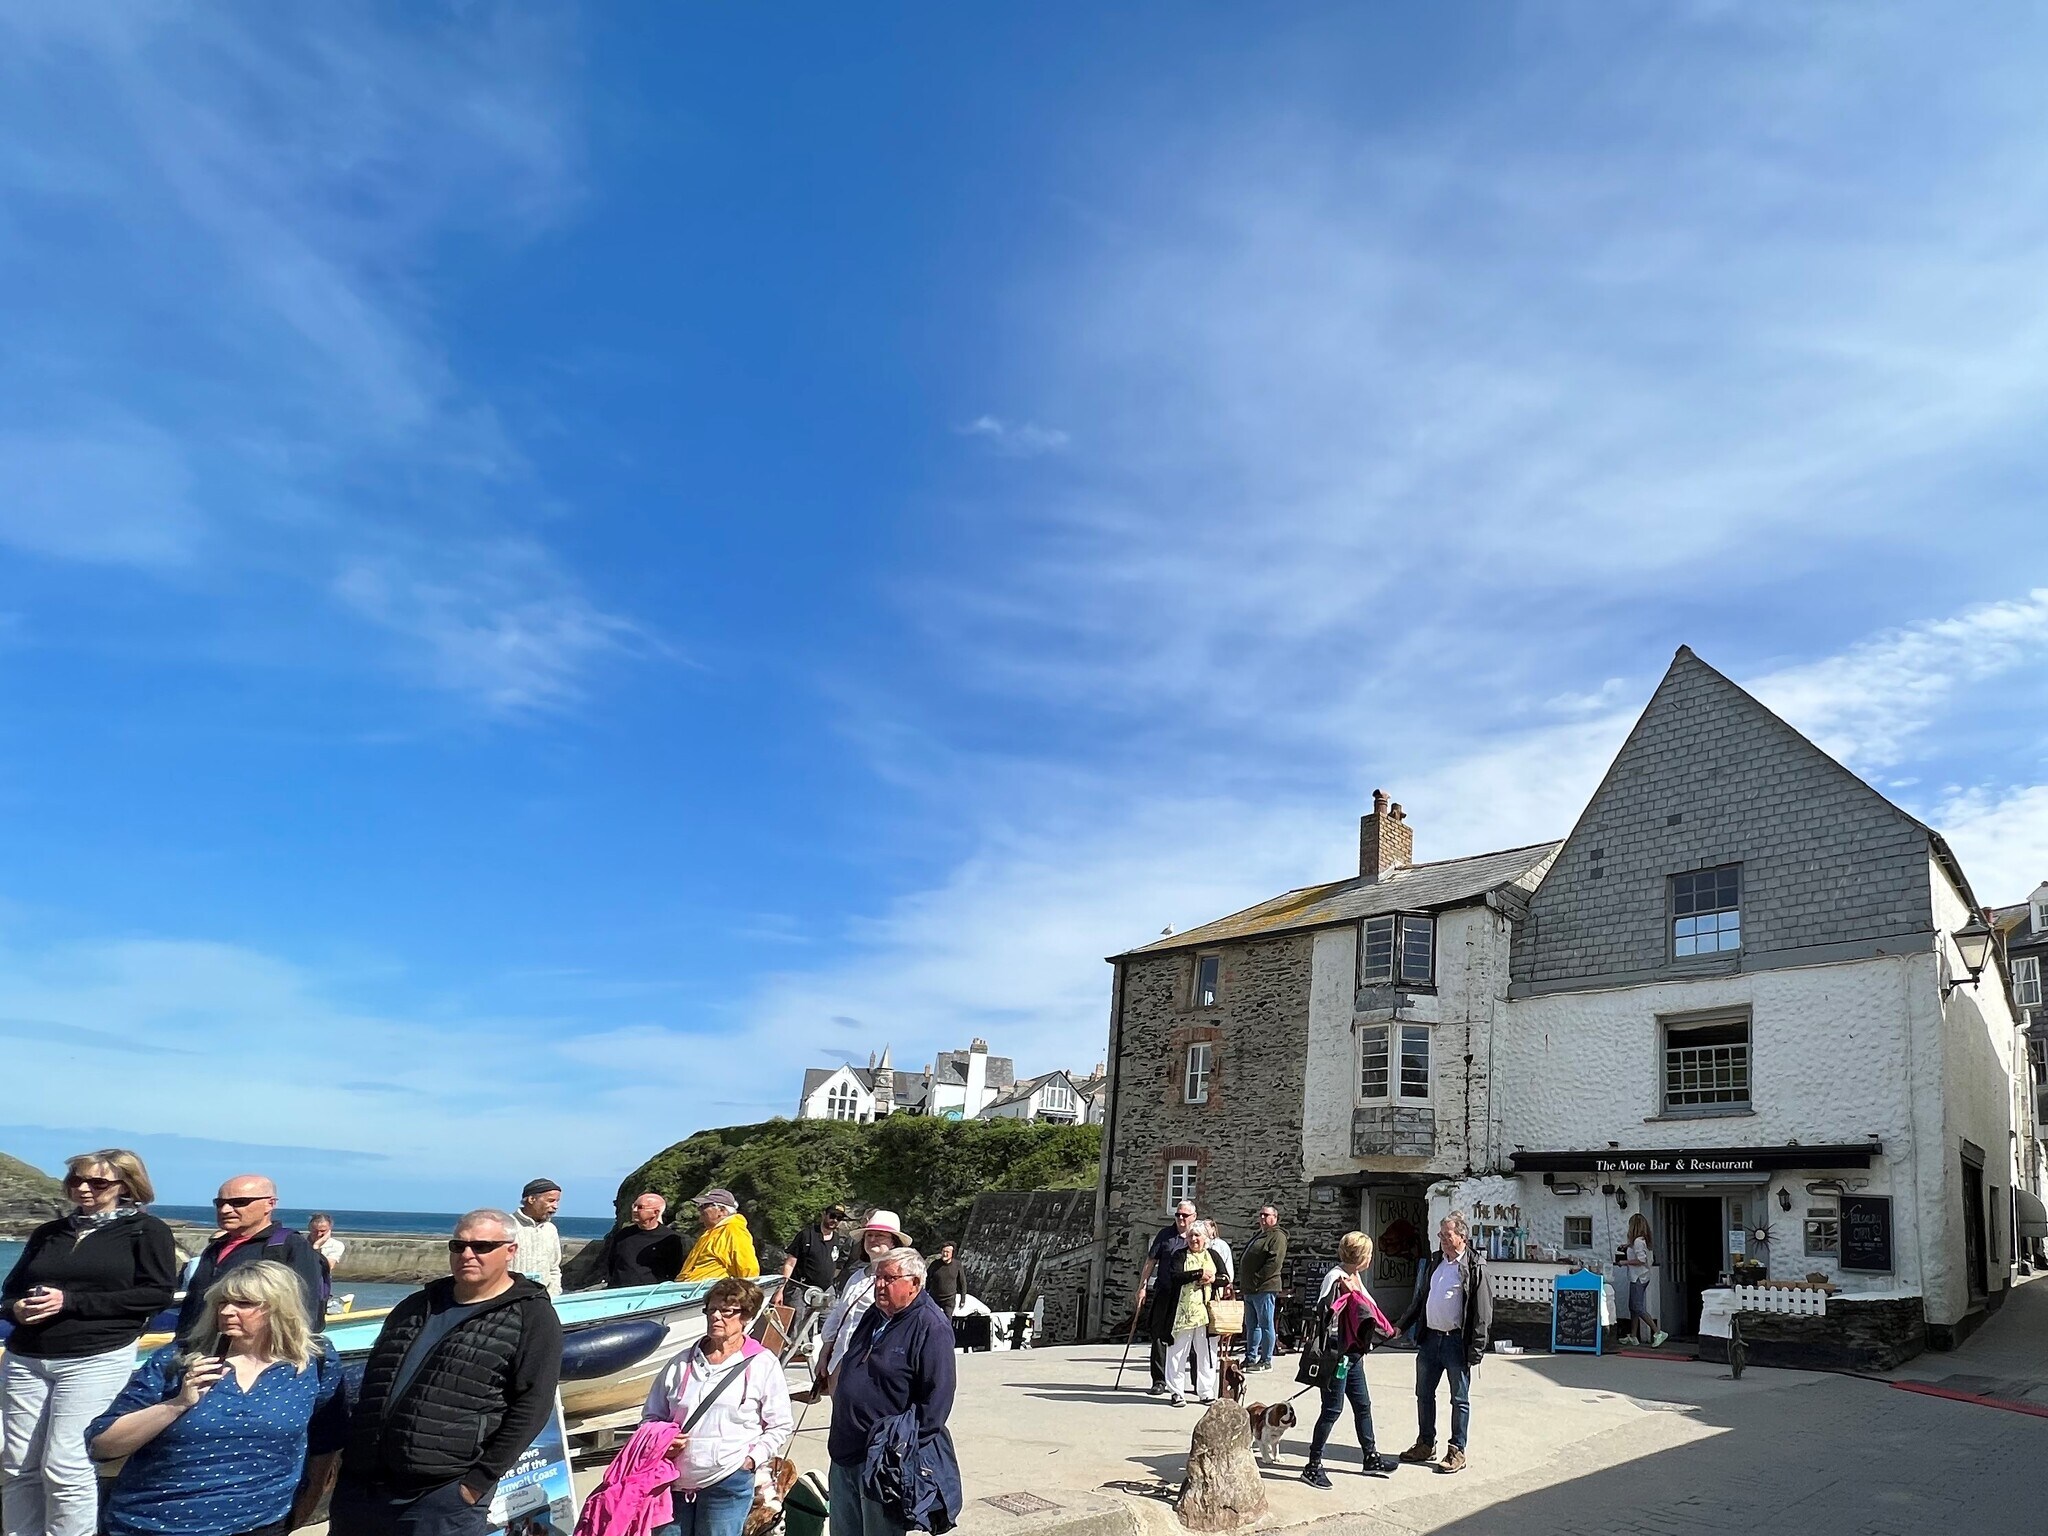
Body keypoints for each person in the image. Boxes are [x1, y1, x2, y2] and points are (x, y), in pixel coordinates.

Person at [330, 1209, 564, 1536]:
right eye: (459, 1246)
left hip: (442, 1494)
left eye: (482, 1246)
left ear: (510, 1250)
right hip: (364, 1484)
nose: (467, 1254)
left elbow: (533, 1405)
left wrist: (478, 1481)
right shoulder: (414, 1306)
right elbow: (375, 1383)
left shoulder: (532, 1317)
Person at [88, 1259, 348, 1536]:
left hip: (261, 1524)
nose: (226, 1311)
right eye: (222, 1302)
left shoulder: (314, 1362)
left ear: (280, 1308)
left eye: (243, 1303)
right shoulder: (179, 1360)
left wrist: (305, 1506)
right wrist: (177, 1404)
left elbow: (326, 1441)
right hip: (153, 1524)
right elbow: (102, 1445)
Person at [0, 1149, 179, 1536]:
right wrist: (17, 1309)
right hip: (26, 1356)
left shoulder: (146, 1231)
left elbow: (156, 1294)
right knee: (16, 1465)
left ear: (125, 1186)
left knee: (66, 1465)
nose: (83, 1188)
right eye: (76, 1180)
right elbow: (10, 1291)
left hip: (94, 1357)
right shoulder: (50, 1232)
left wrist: (72, 1302)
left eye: (98, 1182)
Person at [640, 1276, 794, 1536]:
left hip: (728, 1482)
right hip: (672, 1482)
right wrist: (662, 1439)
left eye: (726, 1311)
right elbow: (651, 1416)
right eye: (711, 1309)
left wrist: (750, 1460)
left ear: (745, 1316)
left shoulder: (762, 1364)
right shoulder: (680, 1362)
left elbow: (780, 1424)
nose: (716, 1317)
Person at [826, 1249, 959, 1536]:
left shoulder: (930, 1325)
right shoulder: (874, 1315)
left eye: (889, 1278)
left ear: (914, 1283)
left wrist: (898, 1449)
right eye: (878, 1277)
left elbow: (936, 1402)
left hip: (881, 1462)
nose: (879, 1285)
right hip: (844, 1449)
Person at [1300, 1233, 1398, 1488]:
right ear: (1360, 1257)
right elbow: (1326, 1318)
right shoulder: (1335, 1279)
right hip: (1338, 1357)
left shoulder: (1354, 1278)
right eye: (1369, 1254)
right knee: (1332, 1409)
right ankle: (1313, 1465)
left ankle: (1370, 1456)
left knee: (1363, 1404)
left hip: (1353, 1356)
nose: (1371, 1258)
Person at [1396, 1212, 1491, 1476]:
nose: (1443, 1241)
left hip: (1455, 1343)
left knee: (1459, 1398)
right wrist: (1402, 1325)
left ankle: (1457, 1449)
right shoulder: (1437, 1262)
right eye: (1440, 1236)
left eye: (1447, 1236)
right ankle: (1426, 1444)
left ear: (1462, 1237)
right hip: (1430, 1340)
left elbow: (1483, 1312)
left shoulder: (1474, 1267)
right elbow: (1421, 1299)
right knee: (1424, 1395)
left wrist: (1477, 1349)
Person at [175, 1176, 326, 1338]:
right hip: (196, 1351)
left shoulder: (289, 1246)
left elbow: (306, 1313)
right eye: (219, 1203)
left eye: (239, 1202)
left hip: (250, 1356)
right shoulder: (215, 1247)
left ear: (270, 1204)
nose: (225, 1210)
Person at [814, 1212, 911, 1392]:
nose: (872, 1239)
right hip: (840, 1359)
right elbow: (838, 1315)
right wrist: (825, 1351)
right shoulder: (856, 1277)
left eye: (879, 1235)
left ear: (894, 1242)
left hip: (872, 1364)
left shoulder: (901, 1279)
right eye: (869, 1235)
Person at [1133, 1200, 1198, 1395]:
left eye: (1185, 1215)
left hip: (1189, 1296)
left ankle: (1196, 1383)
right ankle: (1159, 1380)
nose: (1180, 1218)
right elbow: (1151, 1261)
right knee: (1160, 1336)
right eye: (1178, 1215)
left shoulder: (1196, 1236)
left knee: (1193, 1339)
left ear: (1193, 1217)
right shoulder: (1165, 1235)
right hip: (1164, 1291)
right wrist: (1142, 1287)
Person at [1162, 1226, 1217, 1409]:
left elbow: (1225, 1277)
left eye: (1197, 1236)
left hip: (1206, 1314)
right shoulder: (1179, 1255)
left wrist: (1212, 1279)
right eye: (1191, 1236)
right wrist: (1197, 1274)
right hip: (1182, 1313)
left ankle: (1206, 1392)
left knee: (1206, 1354)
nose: (1193, 1239)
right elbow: (1175, 1276)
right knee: (1177, 1353)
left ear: (1205, 1238)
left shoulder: (1212, 1255)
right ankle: (1177, 1392)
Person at [1240, 1206, 1288, 1371]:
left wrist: (1257, 1280)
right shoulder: (1260, 1235)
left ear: (1275, 1217)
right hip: (1250, 1289)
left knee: (1266, 1324)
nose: (1262, 1217)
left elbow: (1273, 1263)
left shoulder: (1277, 1236)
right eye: (1260, 1214)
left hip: (1264, 1287)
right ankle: (1251, 1357)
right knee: (1252, 1325)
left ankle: (1266, 1360)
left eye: (1266, 1215)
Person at [678, 1189, 759, 1282]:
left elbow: (748, 1267)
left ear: (721, 1210)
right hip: (690, 1290)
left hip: (711, 1292)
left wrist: (748, 1291)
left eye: (703, 1208)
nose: (700, 1218)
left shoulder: (734, 1230)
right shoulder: (710, 1233)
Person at [608, 1194, 687, 1289]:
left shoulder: (670, 1239)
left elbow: (674, 1270)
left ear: (655, 1212)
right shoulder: (623, 1234)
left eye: (640, 1207)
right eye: (634, 1206)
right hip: (618, 1292)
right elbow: (611, 1263)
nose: (634, 1210)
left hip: (650, 1294)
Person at [512, 1180, 564, 1297]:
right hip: (510, 1301)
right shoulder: (506, 1226)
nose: (555, 1206)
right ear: (531, 1199)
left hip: (542, 1301)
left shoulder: (550, 1230)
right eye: (550, 1201)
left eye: (557, 1201)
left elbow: (554, 1268)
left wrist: (552, 1294)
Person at [781, 1206, 850, 1294]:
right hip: (801, 1289)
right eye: (832, 1216)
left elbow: (837, 1264)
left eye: (839, 1218)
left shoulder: (837, 1239)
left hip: (825, 1292)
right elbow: (789, 1264)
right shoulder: (806, 1235)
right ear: (824, 1215)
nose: (835, 1220)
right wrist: (780, 1290)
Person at [1622, 1213, 1666, 1348]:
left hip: (1639, 1277)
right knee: (1632, 1307)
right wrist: (1627, 1247)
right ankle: (1633, 1336)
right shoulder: (1641, 1241)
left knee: (1637, 1307)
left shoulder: (1638, 1242)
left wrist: (1625, 1262)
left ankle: (1658, 1332)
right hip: (1640, 1276)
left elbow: (1641, 1260)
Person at [923, 1245, 964, 1317]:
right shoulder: (935, 1264)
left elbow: (962, 1282)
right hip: (934, 1298)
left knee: (947, 1321)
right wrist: (925, 1293)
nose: (945, 1254)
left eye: (947, 1252)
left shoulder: (957, 1265)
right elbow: (928, 1278)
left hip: (949, 1300)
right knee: (931, 1318)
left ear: (952, 1253)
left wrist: (962, 1299)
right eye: (943, 1251)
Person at [1202, 1221, 1235, 1291]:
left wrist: (1229, 1283)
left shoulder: (1221, 1245)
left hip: (1218, 1281)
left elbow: (1227, 1263)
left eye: (1206, 1226)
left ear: (1213, 1229)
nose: (1204, 1228)